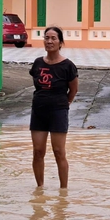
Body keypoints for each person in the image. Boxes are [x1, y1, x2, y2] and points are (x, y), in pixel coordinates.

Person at [29, 26, 79, 188]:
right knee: (38, 152)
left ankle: (63, 191)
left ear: (60, 43)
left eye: (53, 38)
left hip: (58, 112)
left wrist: (65, 104)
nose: (49, 41)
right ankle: (40, 188)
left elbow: (73, 90)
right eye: (46, 38)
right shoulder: (37, 63)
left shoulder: (67, 66)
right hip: (38, 111)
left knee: (59, 152)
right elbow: (37, 86)